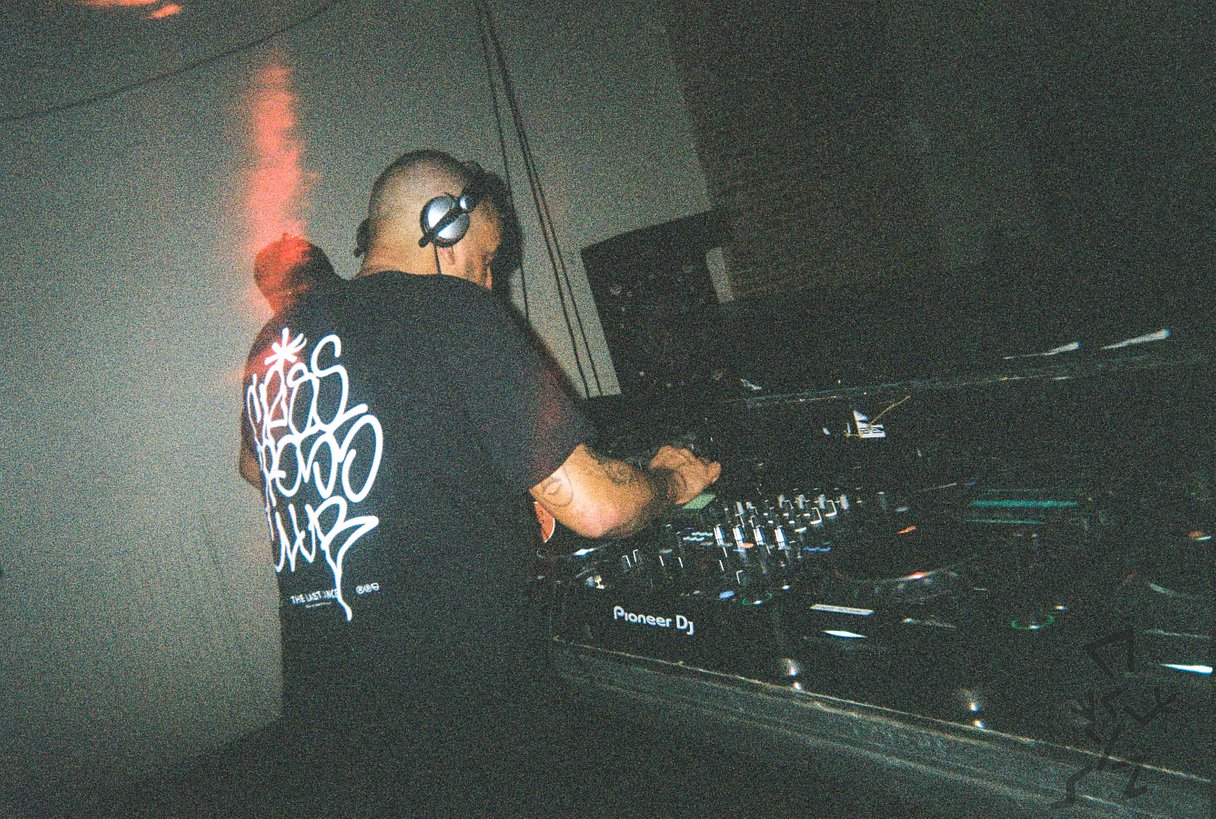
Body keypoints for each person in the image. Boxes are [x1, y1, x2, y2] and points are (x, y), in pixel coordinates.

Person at [237, 149, 720, 810]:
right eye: (487, 259)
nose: (490, 282)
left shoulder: (273, 342)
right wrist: (670, 480)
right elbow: (600, 508)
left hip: (325, 727)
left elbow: (257, 466)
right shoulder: (454, 309)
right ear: (444, 227)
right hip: (461, 726)